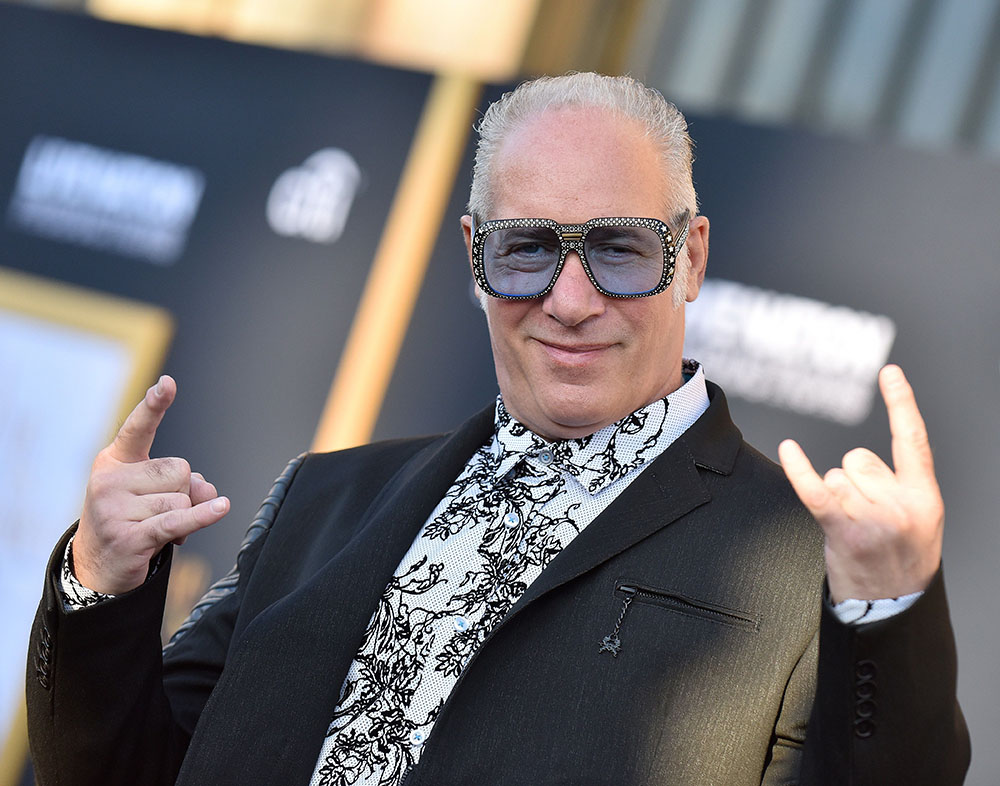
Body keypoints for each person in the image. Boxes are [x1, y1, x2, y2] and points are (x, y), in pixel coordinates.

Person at [27, 73, 969, 785]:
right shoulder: (325, 496)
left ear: (690, 258)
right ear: (475, 256)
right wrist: (98, 586)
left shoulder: (803, 561)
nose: (568, 301)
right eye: (528, 250)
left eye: (618, 248)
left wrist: (888, 613)